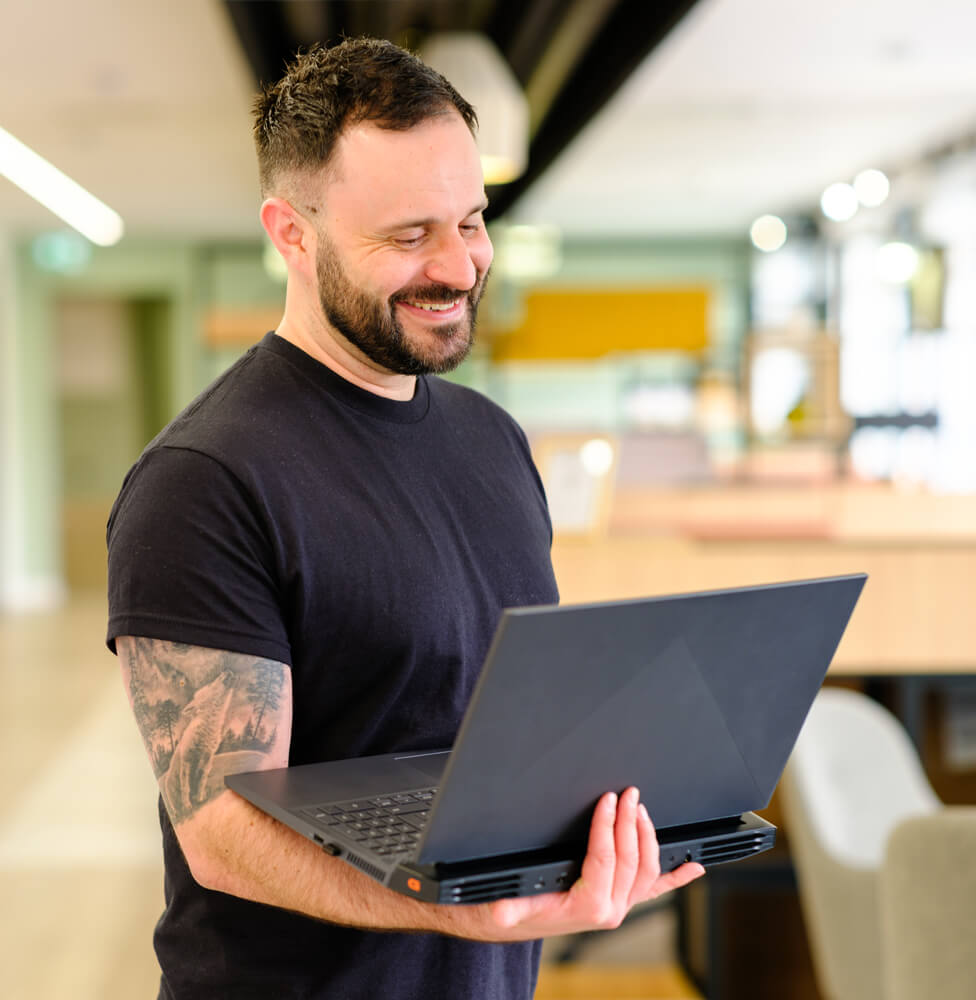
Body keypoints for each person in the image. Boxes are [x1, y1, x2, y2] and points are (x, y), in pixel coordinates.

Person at [107, 36, 703, 1000]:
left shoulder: (494, 441)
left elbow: (485, 711)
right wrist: (449, 908)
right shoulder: (204, 479)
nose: (460, 265)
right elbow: (220, 832)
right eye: (409, 235)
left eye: (470, 221)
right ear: (291, 234)